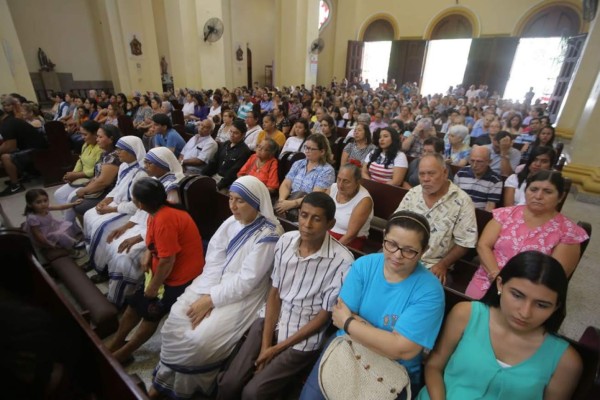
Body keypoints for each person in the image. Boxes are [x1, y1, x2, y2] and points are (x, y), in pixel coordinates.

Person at [149, 176, 283, 399]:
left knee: (199, 342)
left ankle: (189, 391)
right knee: (176, 320)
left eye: (239, 201)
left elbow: (246, 281)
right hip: (212, 284)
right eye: (230, 198)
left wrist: (211, 300)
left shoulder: (269, 235)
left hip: (243, 295)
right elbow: (213, 259)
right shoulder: (231, 222)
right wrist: (205, 293)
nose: (232, 206)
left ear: (256, 202)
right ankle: (163, 381)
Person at [216, 192, 355, 399]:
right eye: (303, 215)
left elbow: (323, 317)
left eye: (316, 219)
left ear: (330, 223)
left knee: (253, 393)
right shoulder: (285, 242)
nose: (307, 224)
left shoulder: (342, 261)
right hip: (271, 320)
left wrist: (276, 349)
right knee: (229, 384)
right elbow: (275, 293)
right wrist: (266, 346)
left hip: (302, 335)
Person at [300, 211, 445, 399]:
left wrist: (350, 323)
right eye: (391, 244)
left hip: (392, 372)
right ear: (384, 237)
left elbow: (403, 350)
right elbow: (339, 316)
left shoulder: (430, 291)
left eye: (409, 250)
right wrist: (389, 341)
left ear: (423, 250)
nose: (397, 255)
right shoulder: (365, 265)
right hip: (347, 348)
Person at [419, 251, 582, 400]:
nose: (525, 313)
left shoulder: (565, 361)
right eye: (517, 295)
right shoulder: (466, 315)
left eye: (542, 305)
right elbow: (434, 366)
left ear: (557, 306)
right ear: (500, 285)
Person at [106, 178, 204, 363]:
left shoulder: (165, 218)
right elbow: (157, 243)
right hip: (161, 269)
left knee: (151, 312)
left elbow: (168, 260)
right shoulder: (157, 210)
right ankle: (117, 341)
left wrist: (153, 286)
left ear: (140, 204)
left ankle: (124, 352)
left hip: (179, 277)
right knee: (135, 303)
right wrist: (149, 254)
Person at [466, 170, 588, 299]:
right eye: (533, 189)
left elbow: (555, 275)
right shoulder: (505, 214)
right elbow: (483, 245)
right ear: (526, 191)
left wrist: (513, 288)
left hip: (530, 294)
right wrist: (496, 275)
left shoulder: (568, 232)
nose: (538, 196)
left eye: (548, 191)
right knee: (471, 313)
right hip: (489, 278)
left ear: (560, 197)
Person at [103, 147, 185, 307]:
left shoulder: (172, 187)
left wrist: (137, 237)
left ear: (163, 165)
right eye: (145, 162)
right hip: (145, 226)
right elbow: (143, 211)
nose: (145, 166)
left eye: (149, 163)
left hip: (155, 231)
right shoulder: (155, 180)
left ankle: (123, 295)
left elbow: (166, 220)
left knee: (125, 256)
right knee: (114, 241)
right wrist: (126, 226)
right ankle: (115, 285)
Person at [395, 153, 477, 284]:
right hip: (401, 255)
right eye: (422, 174)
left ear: (444, 173)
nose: (426, 179)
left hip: (432, 264)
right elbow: (395, 224)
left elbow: (465, 242)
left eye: (431, 173)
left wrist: (443, 264)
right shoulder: (413, 194)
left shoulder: (462, 201)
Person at [83, 136, 148, 282]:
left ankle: (103, 268)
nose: (117, 152)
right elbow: (118, 188)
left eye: (121, 150)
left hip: (129, 210)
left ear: (132, 152)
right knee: (89, 214)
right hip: (116, 204)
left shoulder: (142, 173)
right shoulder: (124, 166)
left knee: (102, 227)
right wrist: (106, 200)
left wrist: (111, 210)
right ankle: (93, 257)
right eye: (117, 149)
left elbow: (136, 205)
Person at [275, 134, 335, 220]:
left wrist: (291, 204)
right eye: (306, 147)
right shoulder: (298, 163)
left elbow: (315, 196)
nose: (307, 151)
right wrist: (282, 202)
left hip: (309, 208)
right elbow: (286, 184)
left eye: (311, 149)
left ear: (322, 151)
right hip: (288, 201)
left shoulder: (327, 170)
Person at [54, 120, 104, 210]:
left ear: (95, 134)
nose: (82, 137)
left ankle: (68, 222)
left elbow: (97, 169)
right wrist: (72, 174)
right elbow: (80, 161)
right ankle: (70, 222)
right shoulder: (86, 145)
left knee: (71, 199)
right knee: (58, 194)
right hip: (80, 177)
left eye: (85, 135)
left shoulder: (100, 148)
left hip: (91, 179)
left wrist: (77, 175)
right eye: (81, 134)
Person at [0, 109, 47, 196]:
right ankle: (18, 176)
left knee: (6, 157)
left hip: (37, 151)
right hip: (34, 147)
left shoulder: (7, 125)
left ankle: (16, 186)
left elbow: (10, 147)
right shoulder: (10, 121)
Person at [23, 189, 84, 254]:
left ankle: (71, 241)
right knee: (61, 235)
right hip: (44, 234)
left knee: (67, 225)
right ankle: (71, 249)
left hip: (51, 226)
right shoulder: (33, 217)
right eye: (38, 202)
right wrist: (49, 244)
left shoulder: (45, 207)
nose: (43, 204)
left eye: (45, 200)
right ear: (30, 204)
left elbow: (61, 207)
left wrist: (74, 203)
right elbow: (38, 234)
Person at [328, 164, 374, 250]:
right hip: (327, 234)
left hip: (349, 241)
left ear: (358, 182)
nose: (340, 185)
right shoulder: (333, 188)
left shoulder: (364, 200)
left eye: (346, 181)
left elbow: (351, 235)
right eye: (339, 179)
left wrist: (332, 250)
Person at [454, 145, 503, 211]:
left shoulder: (495, 180)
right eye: (472, 161)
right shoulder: (461, 173)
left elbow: (490, 206)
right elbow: (454, 197)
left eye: (479, 161)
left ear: (489, 162)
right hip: (458, 211)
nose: (474, 165)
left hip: (478, 215)